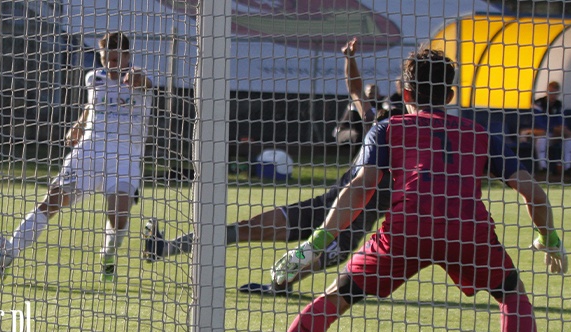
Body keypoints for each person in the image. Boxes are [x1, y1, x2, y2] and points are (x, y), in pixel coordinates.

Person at [273, 47, 568, 332]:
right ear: (451, 95)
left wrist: (316, 243)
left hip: (408, 227)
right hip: (467, 230)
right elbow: (533, 191)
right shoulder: (479, 133)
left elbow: (361, 187)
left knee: (339, 293)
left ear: (406, 93)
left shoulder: (386, 127)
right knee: (512, 293)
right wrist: (549, 238)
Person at [144, 37, 394, 295]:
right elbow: (355, 90)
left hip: (346, 232)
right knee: (246, 227)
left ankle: (276, 287)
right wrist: (349, 59)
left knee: (297, 266)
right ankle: (165, 248)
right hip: (320, 208)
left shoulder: (410, 158)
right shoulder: (375, 129)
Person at [0, 31, 155, 282]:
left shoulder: (138, 78)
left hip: (125, 153)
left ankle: (107, 255)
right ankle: (8, 253)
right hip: (89, 149)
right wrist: (79, 125)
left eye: (115, 59)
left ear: (127, 56)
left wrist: (138, 77)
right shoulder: (94, 78)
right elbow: (93, 104)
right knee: (51, 200)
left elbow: (145, 82)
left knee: (118, 213)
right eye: (106, 59)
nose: (110, 64)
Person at [520, 81, 571, 176]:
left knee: (569, 138)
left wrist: (561, 130)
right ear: (547, 91)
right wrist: (554, 128)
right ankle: (543, 168)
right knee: (542, 138)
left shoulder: (559, 105)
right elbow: (538, 124)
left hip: (551, 134)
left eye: (554, 93)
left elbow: (562, 123)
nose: (552, 95)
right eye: (550, 92)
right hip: (531, 133)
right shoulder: (538, 104)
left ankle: (567, 167)